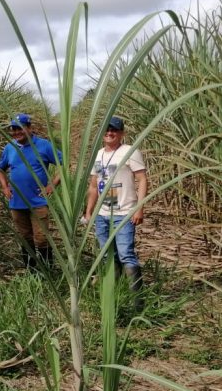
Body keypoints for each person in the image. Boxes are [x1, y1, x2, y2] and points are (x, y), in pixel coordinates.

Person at [84, 116, 147, 310]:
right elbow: (94, 186)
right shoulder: (99, 154)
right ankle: (115, 294)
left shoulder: (129, 151)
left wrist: (139, 207)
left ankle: (138, 304)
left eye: (114, 130)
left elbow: (142, 179)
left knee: (126, 254)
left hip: (124, 213)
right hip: (103, 214)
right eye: (107, 130)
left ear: (121, 134)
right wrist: (89, 212)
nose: (110, 133)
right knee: (107, 255)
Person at [0, 113, 62, 270]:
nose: (17, 132)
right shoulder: (10, 147)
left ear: (29, 128)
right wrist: (5, 187)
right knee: (25, 237)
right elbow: (0, 169)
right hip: (17, 202)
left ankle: (48, 270)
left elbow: (63, 164)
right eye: (14, 129)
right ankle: (31, 271)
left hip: (38, 201)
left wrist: (51, 186)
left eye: (20, 129)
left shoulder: (43, 145)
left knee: (41, 238)